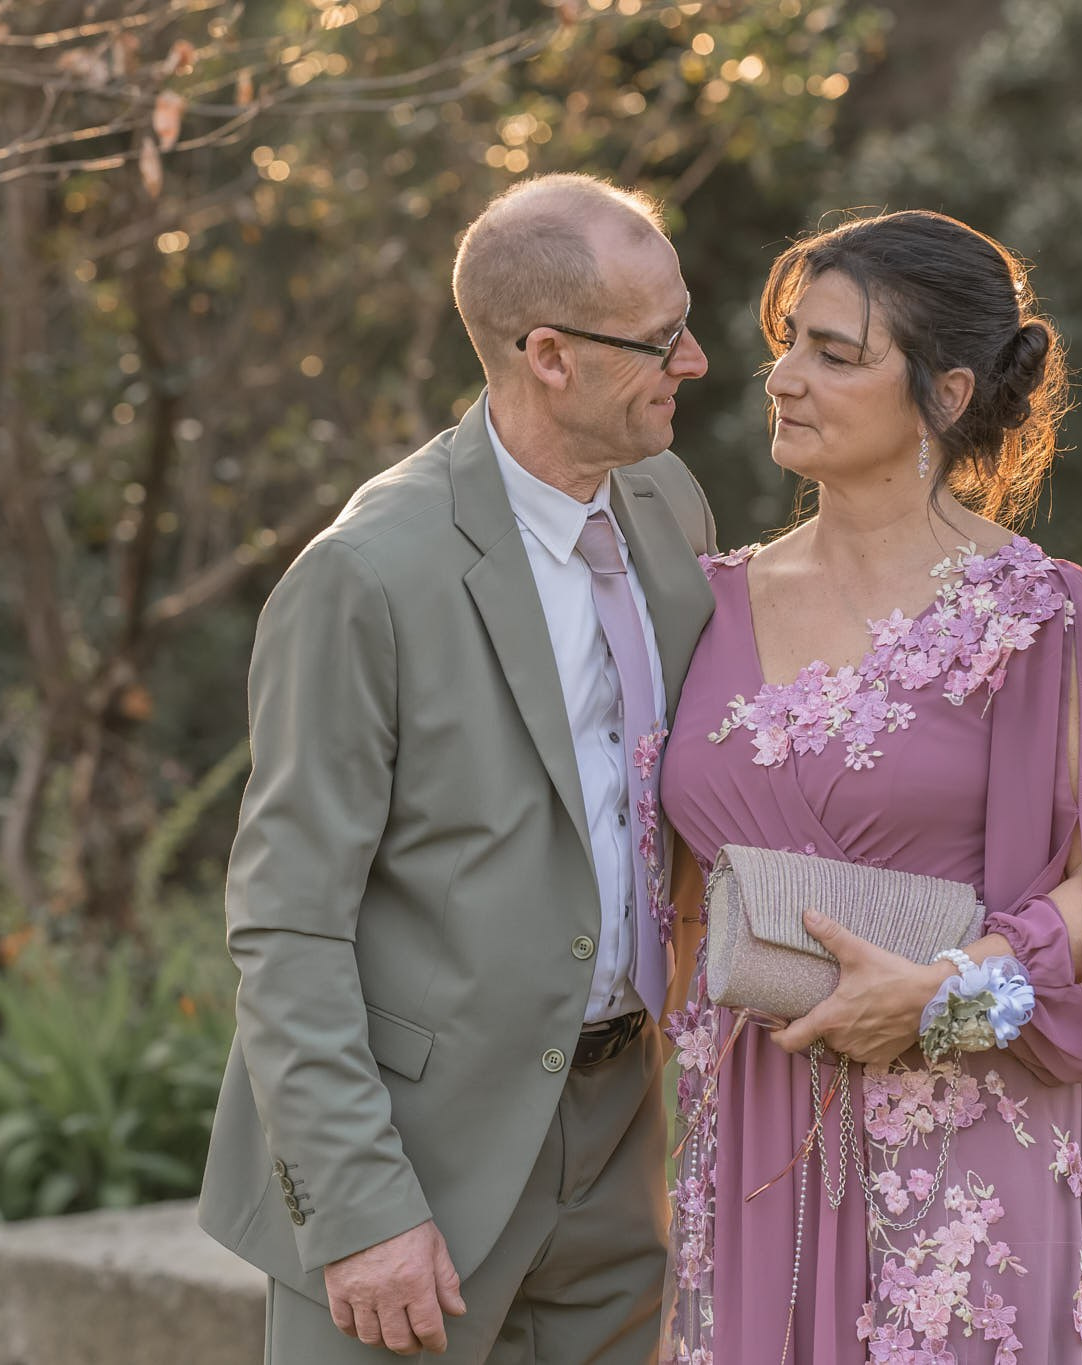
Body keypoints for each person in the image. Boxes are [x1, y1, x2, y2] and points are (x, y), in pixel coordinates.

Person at [197, 173, 718, 1364]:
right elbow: (287, 924)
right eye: (659, 339)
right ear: (547, 354)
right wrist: (361, 1208)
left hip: (624, 1139)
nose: (693, 361)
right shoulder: (364, 576)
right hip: (414, 1170)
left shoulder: (670, 504)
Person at [658, 210, 1082, 1364]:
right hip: (748, 1128)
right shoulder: (703, 604)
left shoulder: (1041, 616)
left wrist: (944, 998)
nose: (780, 377)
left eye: (834, 355)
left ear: (942, 393)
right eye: (788, 342)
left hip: (964, 1141)